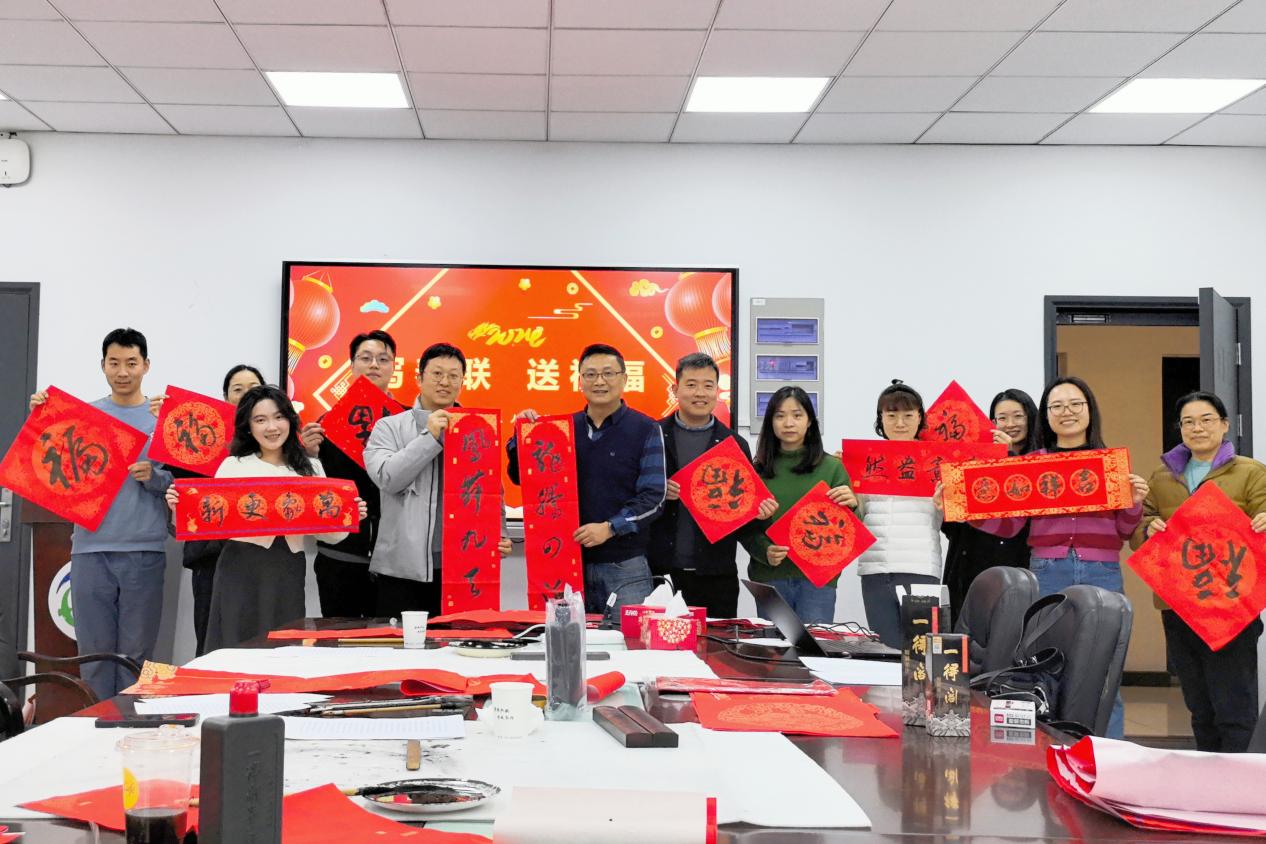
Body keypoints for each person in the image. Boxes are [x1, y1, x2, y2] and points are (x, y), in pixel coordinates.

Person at [953, 376, 1149, 739]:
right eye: (1056, 406)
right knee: (1041, 669)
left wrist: (1134, 504)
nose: (1066, 412)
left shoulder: (1110, 464)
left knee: (1105, 673)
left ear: (1090, 410)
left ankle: (1105, 755)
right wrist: (964, 510)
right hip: (1047, 569)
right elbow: (1010, 525)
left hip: (1102, 571)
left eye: (1075, 404)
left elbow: (1124, 530)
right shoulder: (1032, 463)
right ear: (1045, 415)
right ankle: (1048, 753)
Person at [29, 328, 173, 700]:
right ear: (103, 366)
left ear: (146, 365)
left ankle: (129, 725)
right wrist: (40, 418)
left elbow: (184, 484)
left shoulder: (162, 419)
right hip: (90, 549)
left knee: (136, 657)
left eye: (131, 363)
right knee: (93, 655)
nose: (122, 372)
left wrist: (155, 478)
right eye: (114, 363)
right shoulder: (85, 416)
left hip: (144, 549)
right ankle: (96, 726)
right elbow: (49, 466)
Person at [166, 385, 366, 650]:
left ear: (290, 420)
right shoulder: (233, 466)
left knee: (283, 646)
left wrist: (349, 515)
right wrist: (178, 507)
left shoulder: (311, 468)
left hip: (287, 568)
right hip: (240, 567)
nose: (272, 427)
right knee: (236, 644)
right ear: (249, 427)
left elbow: (330, 535)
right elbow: (207, 523)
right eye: (260, 420)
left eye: (278, 417)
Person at [1132, 391, 1266, 752]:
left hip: (1231, 607)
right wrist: (1148, 529)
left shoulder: (1250, 472)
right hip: (1178, 605)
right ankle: (1207, 773)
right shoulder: (1162, 477)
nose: (1197, 428)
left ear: (1225, 425)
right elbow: (1139, 529)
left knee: (1234, 704)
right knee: (1198, 704)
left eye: (1207, 420)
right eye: (1188, 422)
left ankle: (1239, 778)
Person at [508, 343, 666, 616]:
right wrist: (522, 436)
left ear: (624, 379)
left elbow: (654, 497)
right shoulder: (562, 429)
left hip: (624, 565)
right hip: (565, 562)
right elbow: (522, 479)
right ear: (580, 381)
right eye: (590, 374)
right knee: (564, 638)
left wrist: (610, 527)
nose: (599, 381)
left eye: (608, 373)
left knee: (630, 639)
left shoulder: (646, 429)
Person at [365, 342, 511, 618]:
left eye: (454, 376)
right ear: (419, 378)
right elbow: (388, 478)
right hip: (402, 571)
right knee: (402, 645)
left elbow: (492, 492)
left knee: (461, 642)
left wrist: (500, 533)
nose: (445, 382)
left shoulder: (477, 428)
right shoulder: (389, 427)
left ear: (462, 382)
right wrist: (429, 437)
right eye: (437, 374)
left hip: (462, 568)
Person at [647, 353, 776, 617]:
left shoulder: (733, 444)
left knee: (717, 642)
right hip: (660, 573)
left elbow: (741, 515)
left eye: (708, 385)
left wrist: (760, 513)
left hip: (716, 575)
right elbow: (632, 494)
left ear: (717, 391)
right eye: (691, 384)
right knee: (657, 640)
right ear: (675, 389)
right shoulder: (652, 435)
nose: (700, 393)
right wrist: (656, 492)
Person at [150, 363, 264, 655]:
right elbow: (180, 477)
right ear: (225, 398)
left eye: (253, 388)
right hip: (211, 554)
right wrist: (168, 425)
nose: (245, 395)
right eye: (237, 390)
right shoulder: (204, 434)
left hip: (260, 556)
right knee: (211, 637)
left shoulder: (274, 438)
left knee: (257, 639)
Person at [741, 386, 858, 623]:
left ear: (810, 421)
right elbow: (744, 528)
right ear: (770, 422)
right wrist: (764, 551)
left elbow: (850, 529)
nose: (788, 423)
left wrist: (854, 505)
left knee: (814, 646)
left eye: (797, 415)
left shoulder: (832, 468)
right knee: (772, 645)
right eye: (780, 416)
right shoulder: (756, 472)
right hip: (770, 576)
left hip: (817, 581)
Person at [302, 330, 397, 619]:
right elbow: (313, 491)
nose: (374, 365)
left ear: (394, 367)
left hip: (394, 561)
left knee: (392, 640)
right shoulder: (325, 425)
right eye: (365, 358)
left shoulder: (407, 421)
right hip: (339, 556)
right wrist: (309, 456)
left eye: (383, 359)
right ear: (351, 365)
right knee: (338, 638)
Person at [856, 380, 943, 648]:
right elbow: (857, 515)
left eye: (908, 415)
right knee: (885, 650)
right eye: (891, 416)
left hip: (920, 567)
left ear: (920, 418)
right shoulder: (865, 460)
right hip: (875, 569)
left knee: (921, 653)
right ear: (880, 419)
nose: (900, 423)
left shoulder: (939, 460)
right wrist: (846, 482)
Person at [940, 388, 1040, 616]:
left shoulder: (1039, 460)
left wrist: (1008, 457)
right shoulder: (974, 458)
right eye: (1002, 418)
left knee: (1010, 626)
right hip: (969, 560)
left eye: (1018, 416)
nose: (1010, 424)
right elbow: (952, 527)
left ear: (1031, 418)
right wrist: (946, 505)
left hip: (1014, 562)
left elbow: (1025, 511)